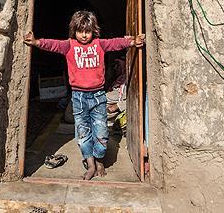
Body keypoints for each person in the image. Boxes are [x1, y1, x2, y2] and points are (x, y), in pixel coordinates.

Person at [24, 10, 144, 180]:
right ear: (74, 31)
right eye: (80, 31)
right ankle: (91, 164)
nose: (84, 35)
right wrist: (36, 42)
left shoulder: (99, 45)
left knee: (101, 131)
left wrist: (132, 41)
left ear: (93, 31)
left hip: (98, 96)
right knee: (82, 132)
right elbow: (52, 44)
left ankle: (99, 157)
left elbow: (116, 43)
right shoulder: (69, 46)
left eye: (87, 31)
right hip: (79, 97)